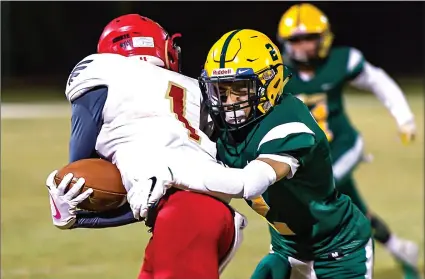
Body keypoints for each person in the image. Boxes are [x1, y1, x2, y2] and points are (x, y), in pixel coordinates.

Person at [144, 28, 374, 279]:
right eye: (222, 90)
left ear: (270, 84)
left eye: (240, 89)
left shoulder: (287, 122)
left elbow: (250, 183)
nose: (229, 102)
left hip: (337, 249)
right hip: (287, 248)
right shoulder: (225, 123)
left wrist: (172, 172)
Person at [44, 14, 246, 279]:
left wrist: (72, 205)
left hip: (183, 218)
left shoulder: (102, 70)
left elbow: (79, 170)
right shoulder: (196, 90)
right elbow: (149, 197)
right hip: (193, 214)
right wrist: (78, 220)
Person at [276, 3, 419, 277]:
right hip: (308, 155)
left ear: (324, 37)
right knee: (354, 209)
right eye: (296, 40)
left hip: (342, 146)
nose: (303, 46)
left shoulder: (341, 61)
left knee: (316, 201)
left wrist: (405, 118)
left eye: (309, 38)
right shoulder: (279, 72)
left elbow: (379, 81)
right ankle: (401, 248)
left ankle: (320, 263)